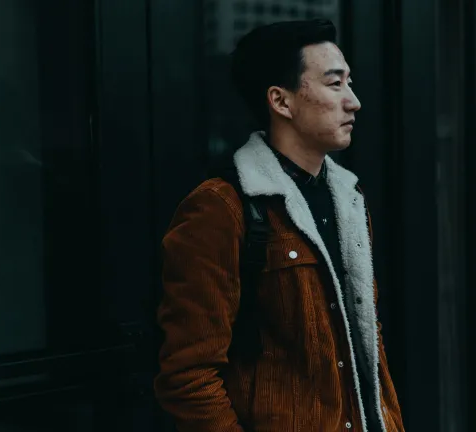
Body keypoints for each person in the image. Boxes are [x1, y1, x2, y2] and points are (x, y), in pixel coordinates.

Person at [153, 19, 403, 432]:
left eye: (350, 83)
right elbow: (188, 376)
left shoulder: (349, 199)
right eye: (335, 83)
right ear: (281, 101)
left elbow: (368, 352)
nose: (353, 101)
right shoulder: (221, 208)